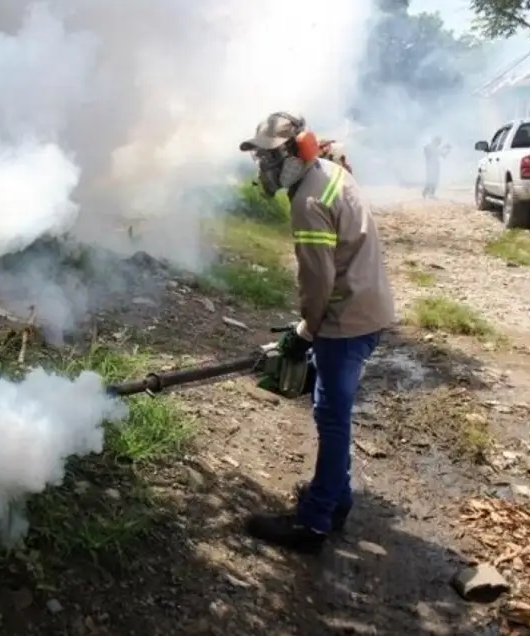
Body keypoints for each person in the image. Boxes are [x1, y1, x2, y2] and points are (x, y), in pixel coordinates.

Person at [238, 112, 395, 554]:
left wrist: (304, 332)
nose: (262, 168)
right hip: (367, 307)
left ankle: (313, 524)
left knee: (331, 416)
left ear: (294, 153)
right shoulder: (330, 173)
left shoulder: (309, 201)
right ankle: (336, 499)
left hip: (346, 321)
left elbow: (318, 283)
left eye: (268, 157)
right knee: (334, 413)